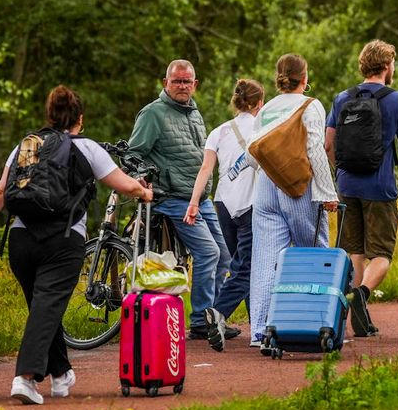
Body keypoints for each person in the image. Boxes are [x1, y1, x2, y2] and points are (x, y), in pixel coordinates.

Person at [0, 85, 154, 404]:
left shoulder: (26, 145)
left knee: (43, 305)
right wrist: (144, 193)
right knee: (46, 306)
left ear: (49, 116)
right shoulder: (87, 147)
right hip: (63, 240)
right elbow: (121, 183)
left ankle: (60, 374)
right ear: (79, 118)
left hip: (21, 238)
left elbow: (1, 192)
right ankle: (25, 378)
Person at [126, 59, 238, 350]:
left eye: (187, 81)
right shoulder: (153, 113)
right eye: (177, 81)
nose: (182, 86)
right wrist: (143, 179)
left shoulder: (194, 112)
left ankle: (214, 316)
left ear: (195, 84)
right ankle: (201, 320)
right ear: (165, 83)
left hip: (200, 198)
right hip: (172, 197)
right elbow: (132, 154)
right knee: (209, 252)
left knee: (226, 254)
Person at [325, 40, 398, 337]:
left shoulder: (343, 98)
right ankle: (361, 296)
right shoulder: (397, 101)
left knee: (354, 249)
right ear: (385, 66)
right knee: (381, 254)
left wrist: (339, 174)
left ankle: (358, 315)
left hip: (347, 185)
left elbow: (329, 144)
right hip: (379, 187)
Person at [247, 54, 338, 348]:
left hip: (264, 186)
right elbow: (315, 149)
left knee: (266, 259)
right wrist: (327, 193)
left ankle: (260, 330)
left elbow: (251, 155)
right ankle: (318, 322)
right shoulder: (310, 105)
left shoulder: (267, 109)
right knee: (314, 253)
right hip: (298, 188)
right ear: (305, 78)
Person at [185, 79, 264, 339]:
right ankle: (217, 312)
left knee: (241, 265)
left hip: (222, 204)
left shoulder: (218, 131)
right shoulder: (264, 128)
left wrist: (195, 202)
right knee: (248, 268)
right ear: (259, 103)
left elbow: (205, 170)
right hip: (252, 203)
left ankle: (258, 328)